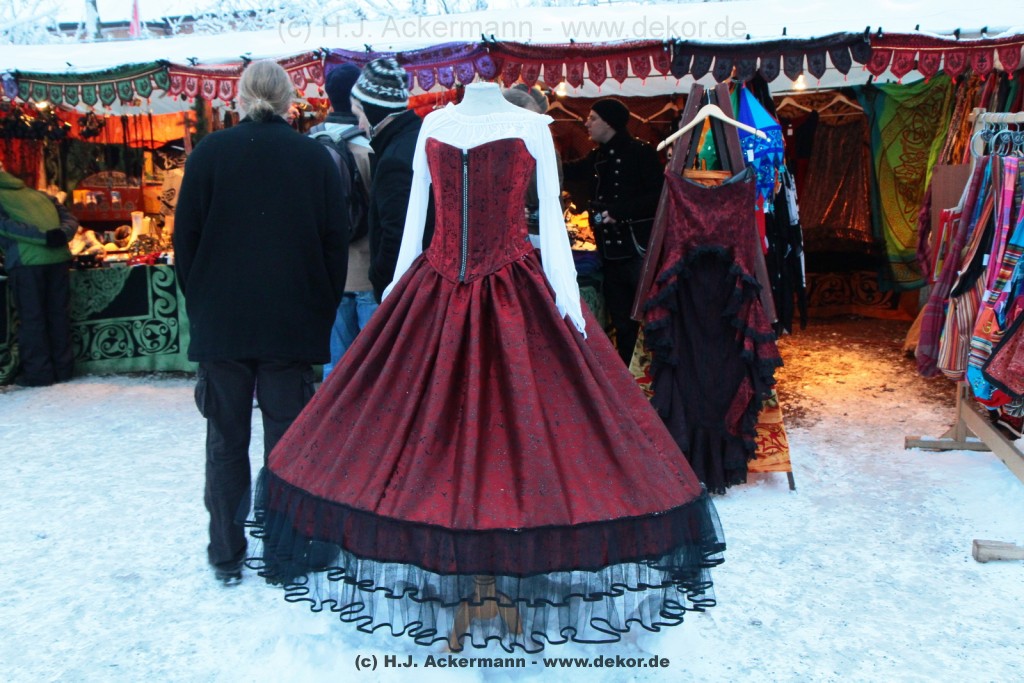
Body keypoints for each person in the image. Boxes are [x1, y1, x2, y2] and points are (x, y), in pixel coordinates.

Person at [249, 82, 724, 652]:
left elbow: (551, 224)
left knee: (515, 440)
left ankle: (494, 570)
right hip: (434, 291)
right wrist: (397, 297)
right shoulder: (434, 124)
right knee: (439, 446)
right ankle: (474, 572)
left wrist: (567, 305)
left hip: (514, 293)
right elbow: (417, 221)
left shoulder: (531, 127)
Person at [172, 59, 348, 587]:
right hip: (289, 320)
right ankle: (284, 552)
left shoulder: (209, 154)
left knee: (225, 441)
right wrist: (318, 308)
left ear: (242, 97)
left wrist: (203, 302)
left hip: (223, 321)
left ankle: (226, 553)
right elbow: (334, 244)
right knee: (287, 445)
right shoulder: (313, 157)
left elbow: (185, 242)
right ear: (290, 99)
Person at [563, 98, 664, 365]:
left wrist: (619, 212)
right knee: (621, 320)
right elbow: (569, 171)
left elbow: (659, 196)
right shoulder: (597, 156)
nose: (587, 123)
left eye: (593, 118)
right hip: (609, 254)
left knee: (649, 313)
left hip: (637, 250)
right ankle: (627, 373)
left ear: (608, 123)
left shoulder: (641, 152)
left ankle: (654, 372)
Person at [309, 63, 376, 377]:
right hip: (367, 271)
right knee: (375, 369)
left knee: (334, 369)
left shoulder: (309, 145)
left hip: (326, 271)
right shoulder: (369, 147)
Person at [348, 57, 433, 302]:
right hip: (421, 282)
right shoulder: (417, 139)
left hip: (402, 291)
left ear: (374, 112)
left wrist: (379, 279)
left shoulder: (395, 158)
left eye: (359, 114)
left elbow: (395, 235)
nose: (359, 124)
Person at [0, 167, 78, 387]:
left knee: (33, 318)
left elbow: (7, 227)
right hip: (59, 259)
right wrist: (61, 234)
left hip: (26, 262)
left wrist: (43, 238)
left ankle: (39, 374)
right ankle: (64, 370)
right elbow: (70, 218)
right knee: (58, 315)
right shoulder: (39, 195)